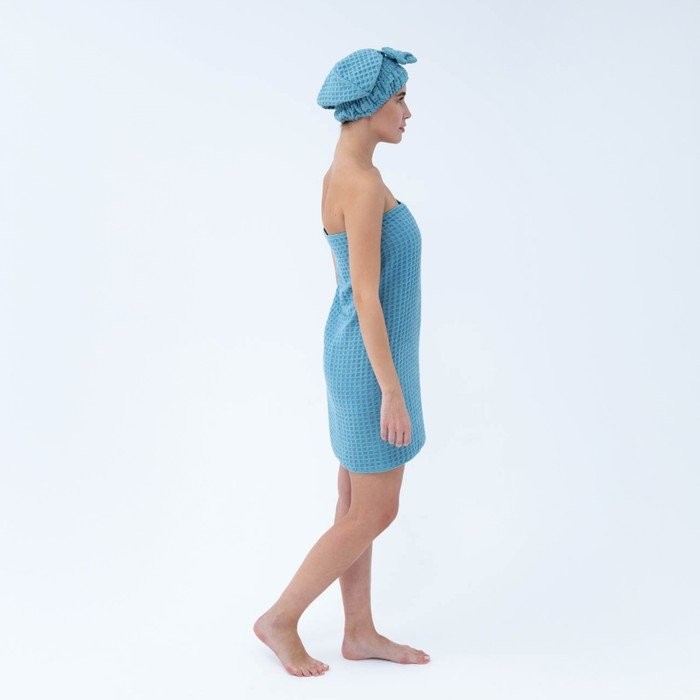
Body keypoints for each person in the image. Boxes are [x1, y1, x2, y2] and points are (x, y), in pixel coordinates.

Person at [253, 46, 429, 677]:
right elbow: (366, 294)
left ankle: (358, 632)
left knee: (355, 503)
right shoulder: (362, 184)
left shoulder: (344, 173)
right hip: (369, 367)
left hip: (357, 354)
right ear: (371, 105)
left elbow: (357, 290)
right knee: (376, 509)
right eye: (400, 98)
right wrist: (391, 391)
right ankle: (280, 619)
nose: (407, 111)